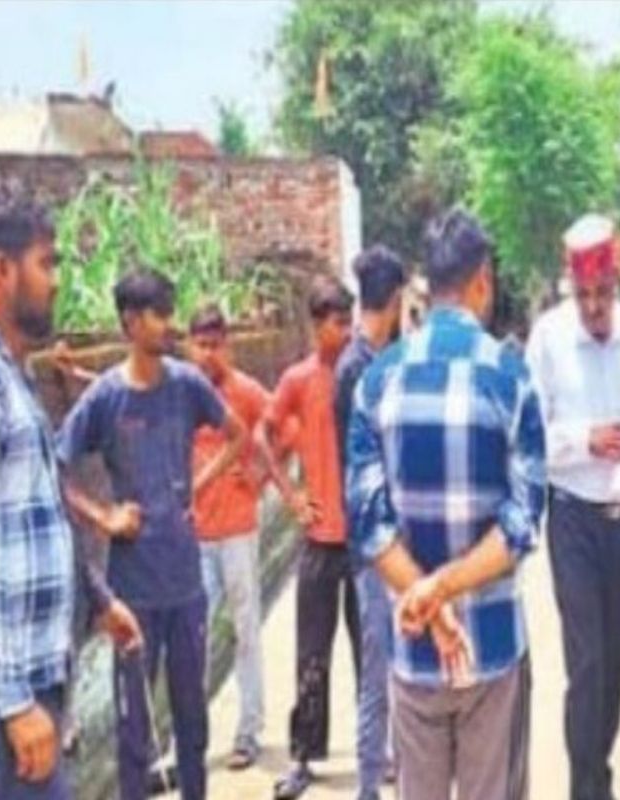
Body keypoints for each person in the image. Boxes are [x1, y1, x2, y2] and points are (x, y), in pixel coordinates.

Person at [346, 208, 546, 800]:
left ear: (425, 285)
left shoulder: (378, 381)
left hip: (414, 650)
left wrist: (429, 600)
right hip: (492, 646)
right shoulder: (511, 377)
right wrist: (446, 589)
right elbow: (522, 521)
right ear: (482, 279)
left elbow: (369, 524)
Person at [0, 183, 141, 800]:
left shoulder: (8, 373)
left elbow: (35, 513)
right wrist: (14, 702)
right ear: (3, 270)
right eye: (46, 263)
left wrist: (96, 600)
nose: (58, 281)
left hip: (22, 689)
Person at [58, 268, 247, 800]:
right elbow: (54, 467)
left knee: (192, 723)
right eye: (159, 314)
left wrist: (196, 486)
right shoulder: (105, 399)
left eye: (169, 312)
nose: (169, 324)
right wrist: (103, 517)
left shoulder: (187, 385)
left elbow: (237, 434)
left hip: (186, 586)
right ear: (130, 322)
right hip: (132, 595)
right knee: (133, 733)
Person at [526, 213, 620, 800]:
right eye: (583, 295)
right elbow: (531, 433)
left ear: (617, 282)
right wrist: (587, 440)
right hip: (574, 518)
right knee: (586, 663)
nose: (593, 307)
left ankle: (596, 771)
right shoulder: (548, 338)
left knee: (617, 656)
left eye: (602, 294)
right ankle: (587, 789)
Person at [261, 276, 360, 800]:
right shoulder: (299, 379)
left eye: (349, 322)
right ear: (317, 325)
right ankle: (303, 756)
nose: (346, 332)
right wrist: (292, 495)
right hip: (320, 540)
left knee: (372, 651)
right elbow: (264, 435)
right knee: (312, 654)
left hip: (363, 541)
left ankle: (378, 750)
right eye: (338, 324)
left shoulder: (362, 374)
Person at [187, 304, 280, 771]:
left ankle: (249, 730)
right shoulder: (182, 390)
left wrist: (260, 476)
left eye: (215, 345)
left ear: (228, 346)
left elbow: (285, 423)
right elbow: (130, 392)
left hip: (238, 531)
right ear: (189, 346)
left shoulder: (244, 390)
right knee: (195, 639)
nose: (208, 354)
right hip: (196, 534)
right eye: (200, 345)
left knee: (246, 631)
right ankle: (193, 735)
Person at [333, 246, 406, 800]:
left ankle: (397, 773)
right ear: (397, 299)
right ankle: (367, 787)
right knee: (379, 673)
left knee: (399, 670)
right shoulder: (357, 369)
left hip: (396, 539)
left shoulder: (388, 359)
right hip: (375, 542)